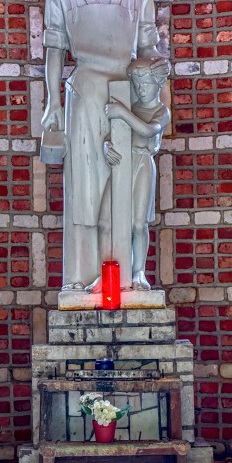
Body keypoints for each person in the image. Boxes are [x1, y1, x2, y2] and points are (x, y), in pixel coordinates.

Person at [41, 0, 160, 290]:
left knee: (124, 192)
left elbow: (150, 53)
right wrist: (52, 104)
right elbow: (55, 53)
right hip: (86, 95)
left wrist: (153, 108)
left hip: (126, 95)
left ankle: (125, 278)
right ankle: (81, 277)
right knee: (86, 190)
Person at [103, 57, 170, 289]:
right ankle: (113, 270)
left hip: (142, 163)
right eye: (138, 85)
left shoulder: (161, 111)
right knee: (111, 219)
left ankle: (138, 271)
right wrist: (106, 146)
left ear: (158, 84)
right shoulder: (132, 106)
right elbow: (114, 135)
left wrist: (121, 112)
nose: (141, 90)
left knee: (138, 223)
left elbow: (148, 130)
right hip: (123, 162)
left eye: (147, 85)